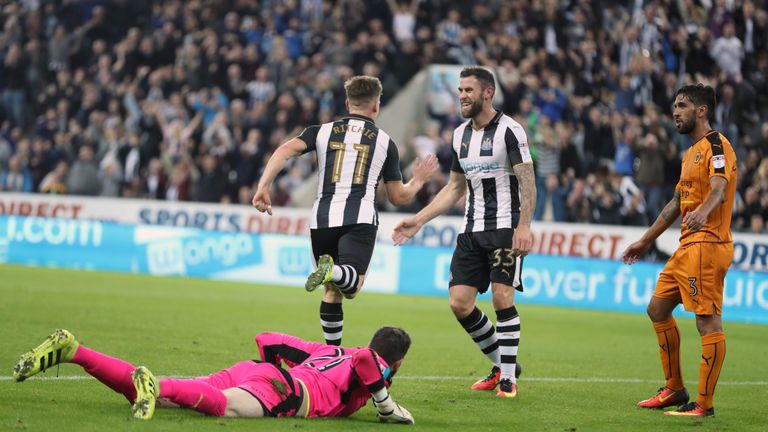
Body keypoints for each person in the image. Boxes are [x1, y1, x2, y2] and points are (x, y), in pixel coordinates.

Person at [252, 76, 437, 346]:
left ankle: (332, 354)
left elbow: (284, 151)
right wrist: (418, 181)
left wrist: (263, 187)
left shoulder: (322, 131)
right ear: (376, 105)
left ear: (348, 102)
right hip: (359, 216)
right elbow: (398, 197)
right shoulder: (385, 143)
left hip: (322, 218)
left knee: (331, 292)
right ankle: (334, 272)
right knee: (351, 286)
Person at [392, 67, 535, 398]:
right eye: (459, 90)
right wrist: (419, 219)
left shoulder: (511, 131)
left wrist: (524, 225)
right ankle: (504, 364)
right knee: (459, 304)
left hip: (505, 228)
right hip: (471, 229)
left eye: (468, 90)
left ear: (488, 92)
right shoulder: (459, 135)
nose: (461, 95)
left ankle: (508, 381)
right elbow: (455, 188)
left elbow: (527, 181)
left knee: (502, 297)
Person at [13, 327, 414, 424]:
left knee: (169, 398)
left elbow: (267, 338)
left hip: (258, 371)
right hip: (285, 391)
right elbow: (365, 360)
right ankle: (156, 383)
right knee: (226, 410)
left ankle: (74, 351)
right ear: (395, 364)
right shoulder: (374, 365)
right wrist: (386, 405)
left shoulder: (327, 350)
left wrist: (279, 369)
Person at [621, 84, 737, 417]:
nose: (675, 111)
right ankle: (674, 388)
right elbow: (676, 203)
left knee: (707, 323)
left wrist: (705, 210)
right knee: (657, 309)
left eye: (682, 105)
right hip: (687, 245)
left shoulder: (718, 145)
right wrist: (645, 240)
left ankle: (703, 404)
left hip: (708, 242)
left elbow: (719, 186)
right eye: (674, 105)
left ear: (702, 111)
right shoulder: (690, 153)